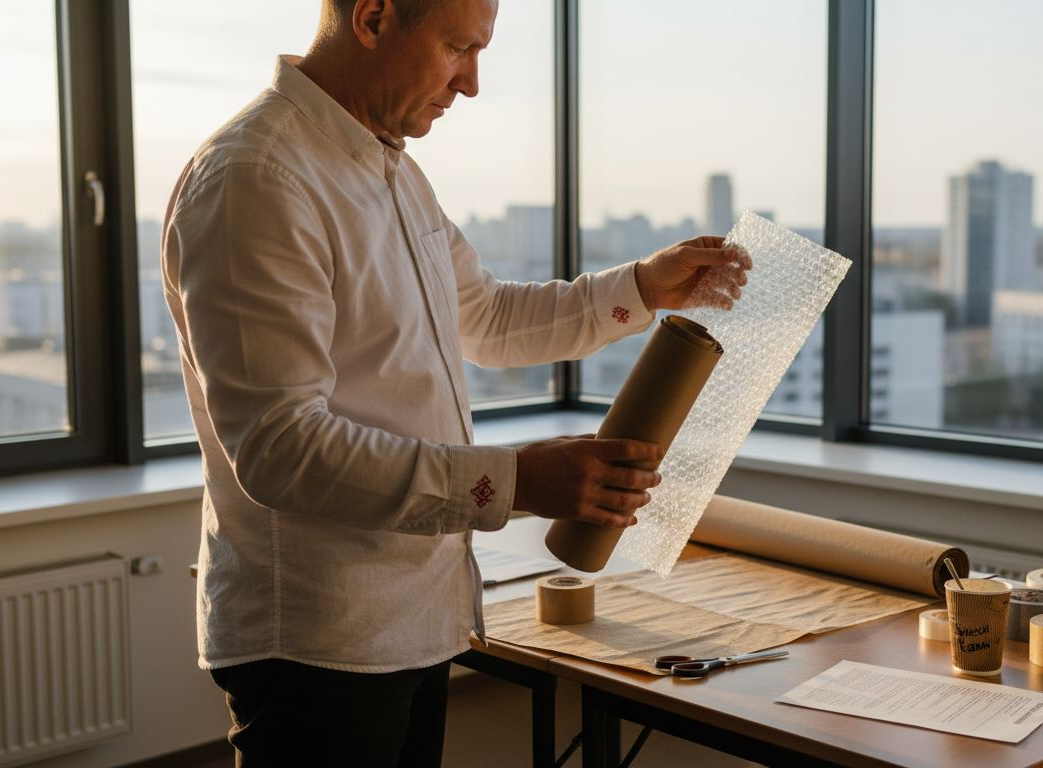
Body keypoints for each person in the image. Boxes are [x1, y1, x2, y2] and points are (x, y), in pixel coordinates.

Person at [161, 0, 750, 764]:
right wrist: (516, 481)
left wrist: (643, 285)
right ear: (373, 19)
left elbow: (487, 316)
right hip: (318, 640)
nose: (470, 83)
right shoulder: (258, 179)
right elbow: (282, 449)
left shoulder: (393, 173)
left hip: (413, 619)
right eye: (458, 49)